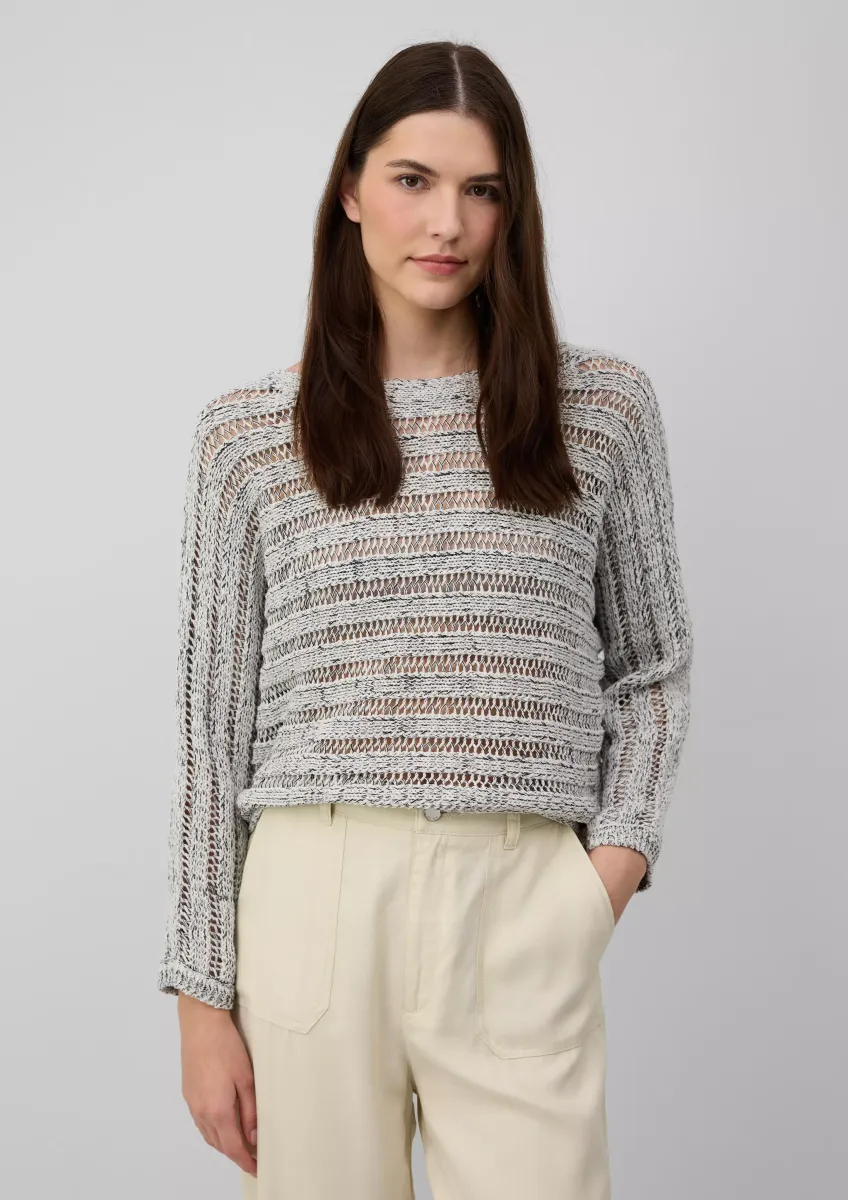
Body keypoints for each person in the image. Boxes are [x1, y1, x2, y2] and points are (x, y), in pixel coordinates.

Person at [157, 39, 694, 1200]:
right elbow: (209, 730)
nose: (446, 222)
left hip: (519, 894)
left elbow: (650, 669)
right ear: (350, 190)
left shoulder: (599, 411)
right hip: (311, 893)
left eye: (480, 189)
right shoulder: (248, 437)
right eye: (412, 180)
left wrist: (602, 874)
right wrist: (201, 997)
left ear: (513, 208)